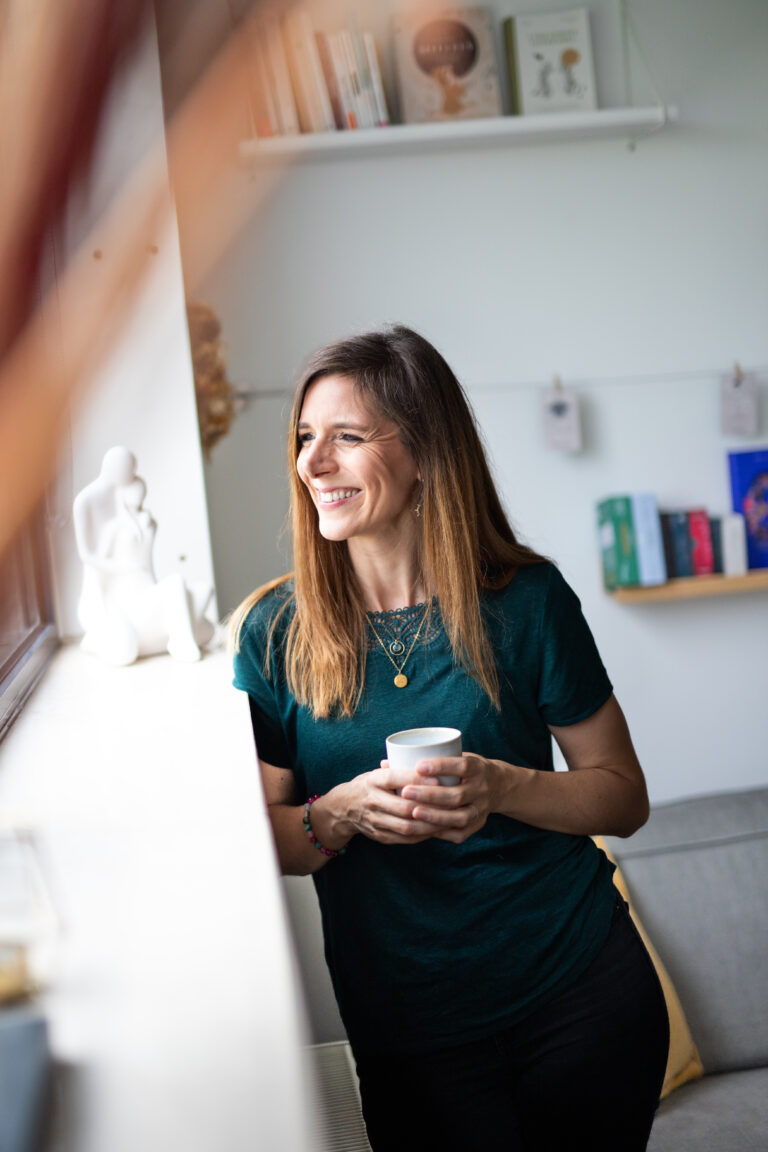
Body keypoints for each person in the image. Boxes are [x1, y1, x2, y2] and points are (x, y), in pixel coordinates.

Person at [231, 325, 669, 1152]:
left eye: (347, 437)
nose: (312, 463)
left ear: (428, 452)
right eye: (303, 438)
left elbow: (625, 795)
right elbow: (261, 840)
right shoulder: (273, 632)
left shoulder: (528, 602)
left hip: (581, 993)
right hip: (410, 1034)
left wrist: (502, 787)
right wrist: (341, 815)